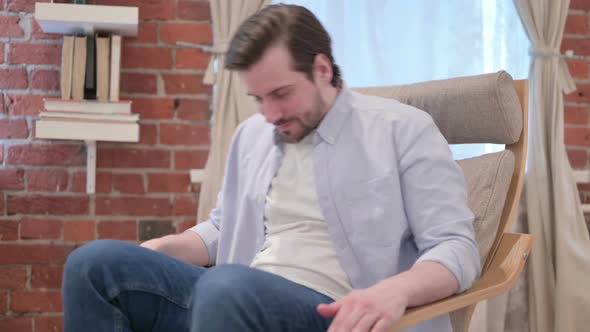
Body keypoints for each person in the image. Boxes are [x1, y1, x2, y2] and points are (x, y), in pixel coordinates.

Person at [62, 4, 480, 332]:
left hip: (333, 312)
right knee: (94, 264)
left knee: (227, 286)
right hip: (231, 302)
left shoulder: (401, 129)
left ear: (322, 68)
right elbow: (224, 228)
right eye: (258, 98)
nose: (270, 113)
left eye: (281, 93)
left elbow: (455, 246)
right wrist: (165, 249)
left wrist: (395, 291)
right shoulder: (252, 136)